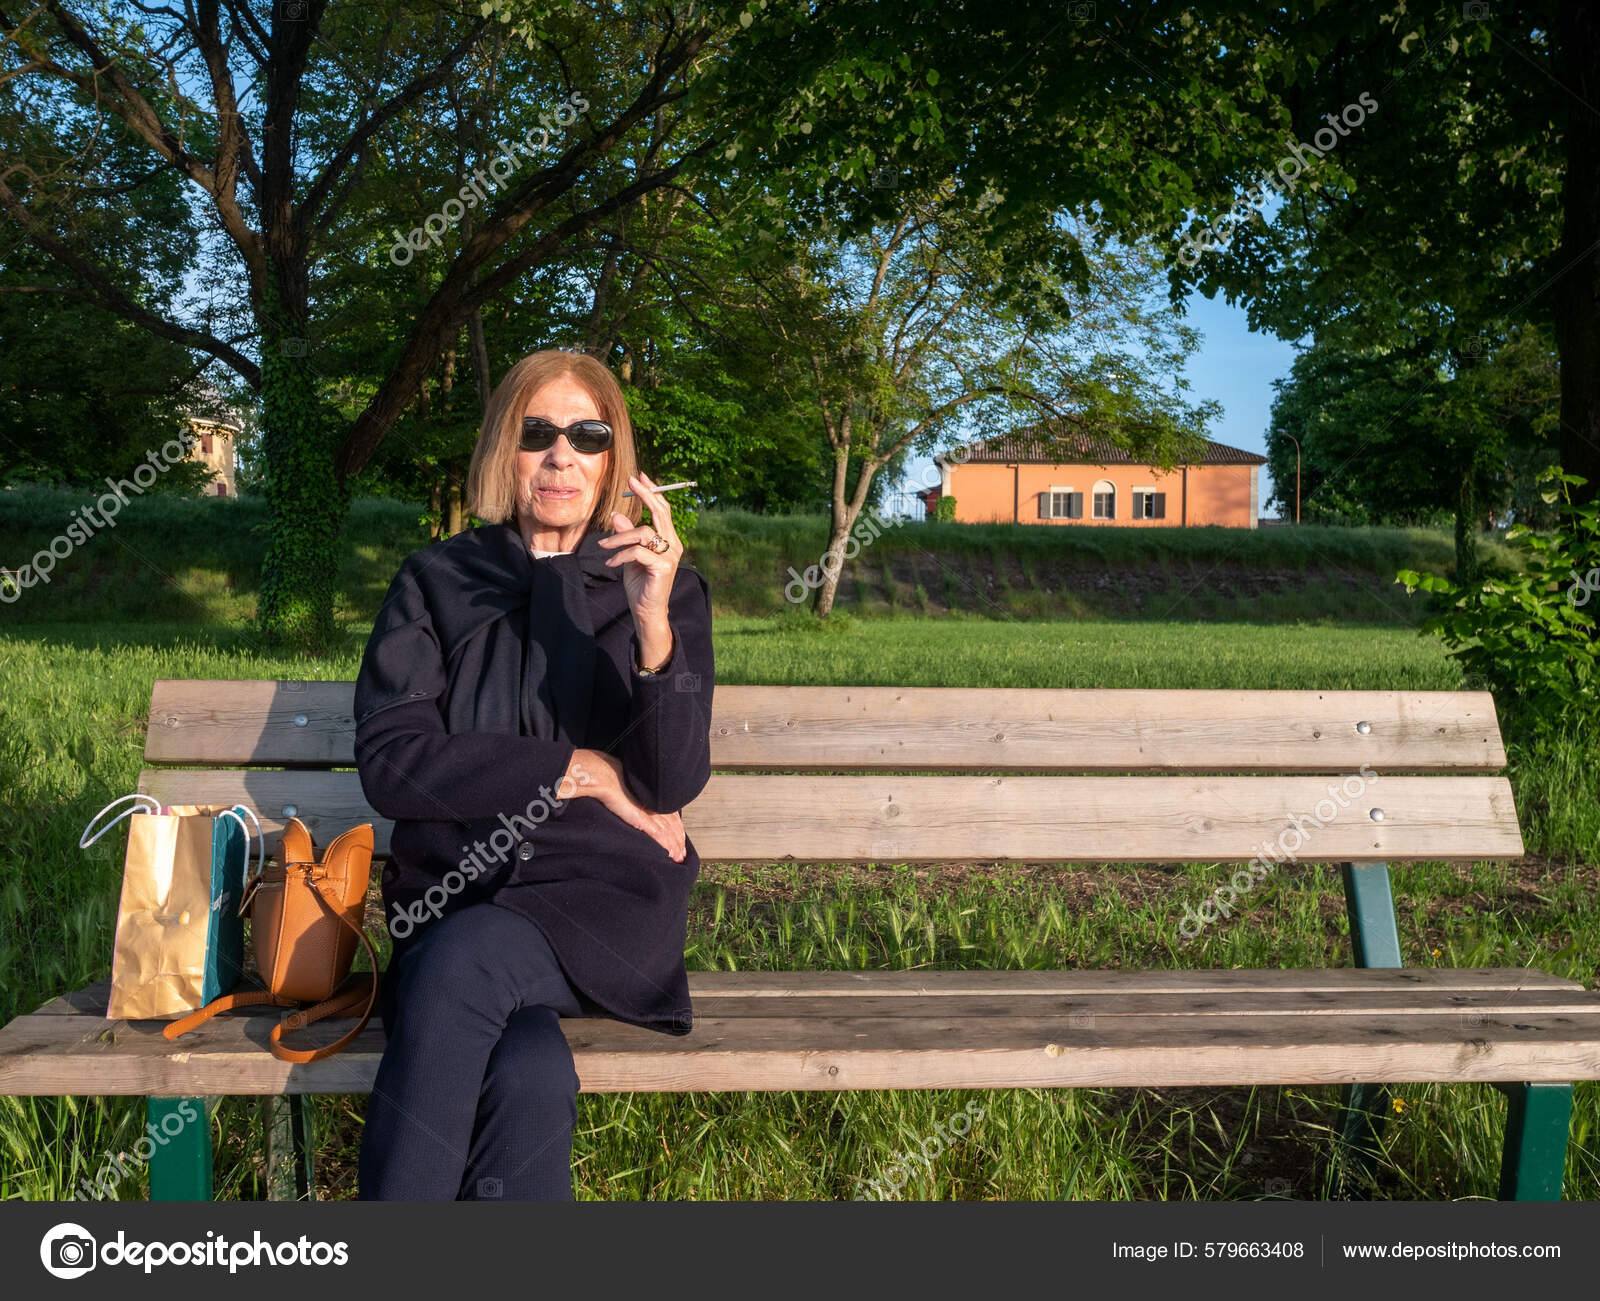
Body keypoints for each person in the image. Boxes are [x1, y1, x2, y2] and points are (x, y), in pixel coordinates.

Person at [353, 349, 714, 1201]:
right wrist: (573, 768)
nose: (561, 456)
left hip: (600, 900)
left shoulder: (659, 587)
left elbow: (669, 782)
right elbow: (393, 761)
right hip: (458, 897)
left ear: (611, 457)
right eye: (536, 432)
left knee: (464, 968)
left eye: (586, 435)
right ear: (501, 450)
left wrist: (651, 618)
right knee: (527, 1073)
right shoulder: (438, 581)